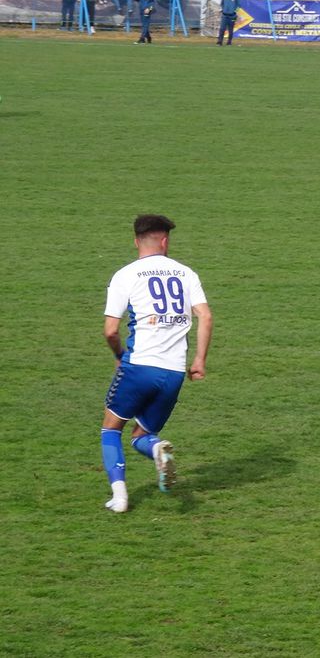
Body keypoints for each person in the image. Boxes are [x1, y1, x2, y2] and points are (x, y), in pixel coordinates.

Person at [98, 215, 212, 513]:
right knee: (142, 435)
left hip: (139, 366)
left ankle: (120, 497)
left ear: (136, 241)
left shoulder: (125, 275)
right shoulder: (186, 273)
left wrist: (119, 355)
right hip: (174, 372)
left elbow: (110, 331)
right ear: (165, 241)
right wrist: (199, 360)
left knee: (111, 429)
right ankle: (157, 449)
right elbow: (206, 315)